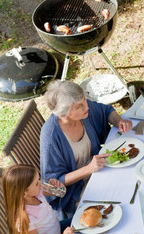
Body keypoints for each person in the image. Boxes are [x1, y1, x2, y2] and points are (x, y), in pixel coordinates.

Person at [40, 80, 132, 219]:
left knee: (132, 180)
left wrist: (119, 121)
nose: (86, 106)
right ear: (63, 115)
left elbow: (106, 111)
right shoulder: (51, 136)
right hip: (78, 191)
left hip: (100, 171)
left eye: (84, 100)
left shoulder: (84, 112)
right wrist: (89, 169)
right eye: (79, 106)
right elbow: (53, 184)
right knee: (121, 203)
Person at [2, 164, 74, 234]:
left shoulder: (36, 191)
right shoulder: (24, 219)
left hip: (57, 232)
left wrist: (58, 186)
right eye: (36, 183)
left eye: (39, 179)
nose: (40, 183)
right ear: (24, 193)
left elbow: (61, 193)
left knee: (80, 219)